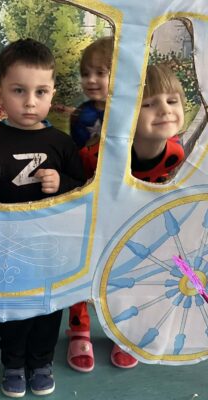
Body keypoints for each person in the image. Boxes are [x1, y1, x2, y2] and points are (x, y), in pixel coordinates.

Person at [0, 38, 85, 398]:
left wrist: (62, 184)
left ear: (52, 92)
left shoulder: (62, 143)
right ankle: (12, 363)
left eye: (40, 92)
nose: (30, 102)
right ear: (0, 94)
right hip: (5, 245)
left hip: (50, 246)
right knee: (12, 307)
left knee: (48, 307)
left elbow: (82, 192)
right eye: (19, 91)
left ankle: (41, 362)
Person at [68, 62, 185, 372]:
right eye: (149, 104)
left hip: (143, 234)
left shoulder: (179, 157)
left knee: (136, 280)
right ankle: (79, 329)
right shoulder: (96, 157)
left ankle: (125, 330)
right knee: (83, 274)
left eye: (172, 100)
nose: (165, 110)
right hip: (98, 229)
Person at [67, 35, 140, 373]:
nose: (91, 80)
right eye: (86, 73)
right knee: (82, 265)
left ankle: (122, 328)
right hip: (88, 202)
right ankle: (79, 328)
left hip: (124, 204)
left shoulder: (134, 111)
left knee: (122, 268)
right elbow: (75, 160)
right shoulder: (79, 116)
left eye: (101, 72)